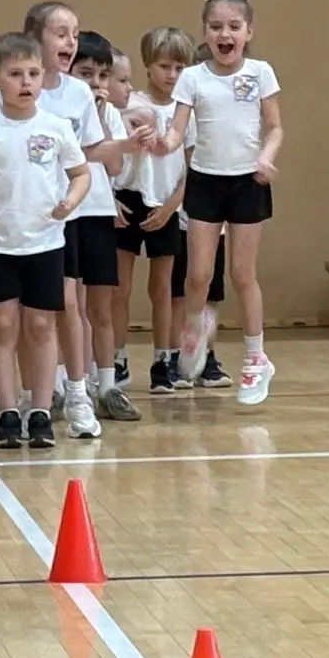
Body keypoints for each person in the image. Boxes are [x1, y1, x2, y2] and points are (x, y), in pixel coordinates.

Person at [0, 32, 91, 451]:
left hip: (45, 244)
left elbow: (81, 173)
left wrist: (71, 200)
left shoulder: (55, 128)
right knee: (2, 326)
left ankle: (40, 411)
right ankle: (8, 413)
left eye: (33, 73)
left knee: (41, 325)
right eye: (15, 74)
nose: (25, 82)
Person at [157, 0, 282, 405]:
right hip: (205, 182)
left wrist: (266, 157)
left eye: (233, 26)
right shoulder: (192, 78)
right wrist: (162, 143)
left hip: (248, 181)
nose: (224, 34)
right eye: (215, 27)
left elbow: (275, 128)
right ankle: (194, 328)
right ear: (205, 32)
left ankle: (255, 359)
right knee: (198, 276)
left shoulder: (261, 73)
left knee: (242, 273)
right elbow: (177, 132)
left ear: (248, 32)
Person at [68, 33, 150, 424]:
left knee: (101, 306)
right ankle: (68, 385)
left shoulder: (110, 115)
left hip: (98, 212)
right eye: (86, 74)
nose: (96, 83)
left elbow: (114, 167)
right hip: (66, 214)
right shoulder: (58, 112)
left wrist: (101, 118)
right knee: (69, 307)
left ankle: (106, 386)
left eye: (102, 76)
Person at [115, 27, 195, 396]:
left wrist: (171, 206)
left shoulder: (187, 112)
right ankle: (116, 359)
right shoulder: (130, 103)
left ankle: (163, 360)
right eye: (165, 66)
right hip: (128, 198)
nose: (172, 74)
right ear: (148, 65)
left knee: (162, 288)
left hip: (166, 203)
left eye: (180, 67)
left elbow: (193, 169)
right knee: (119, 287)